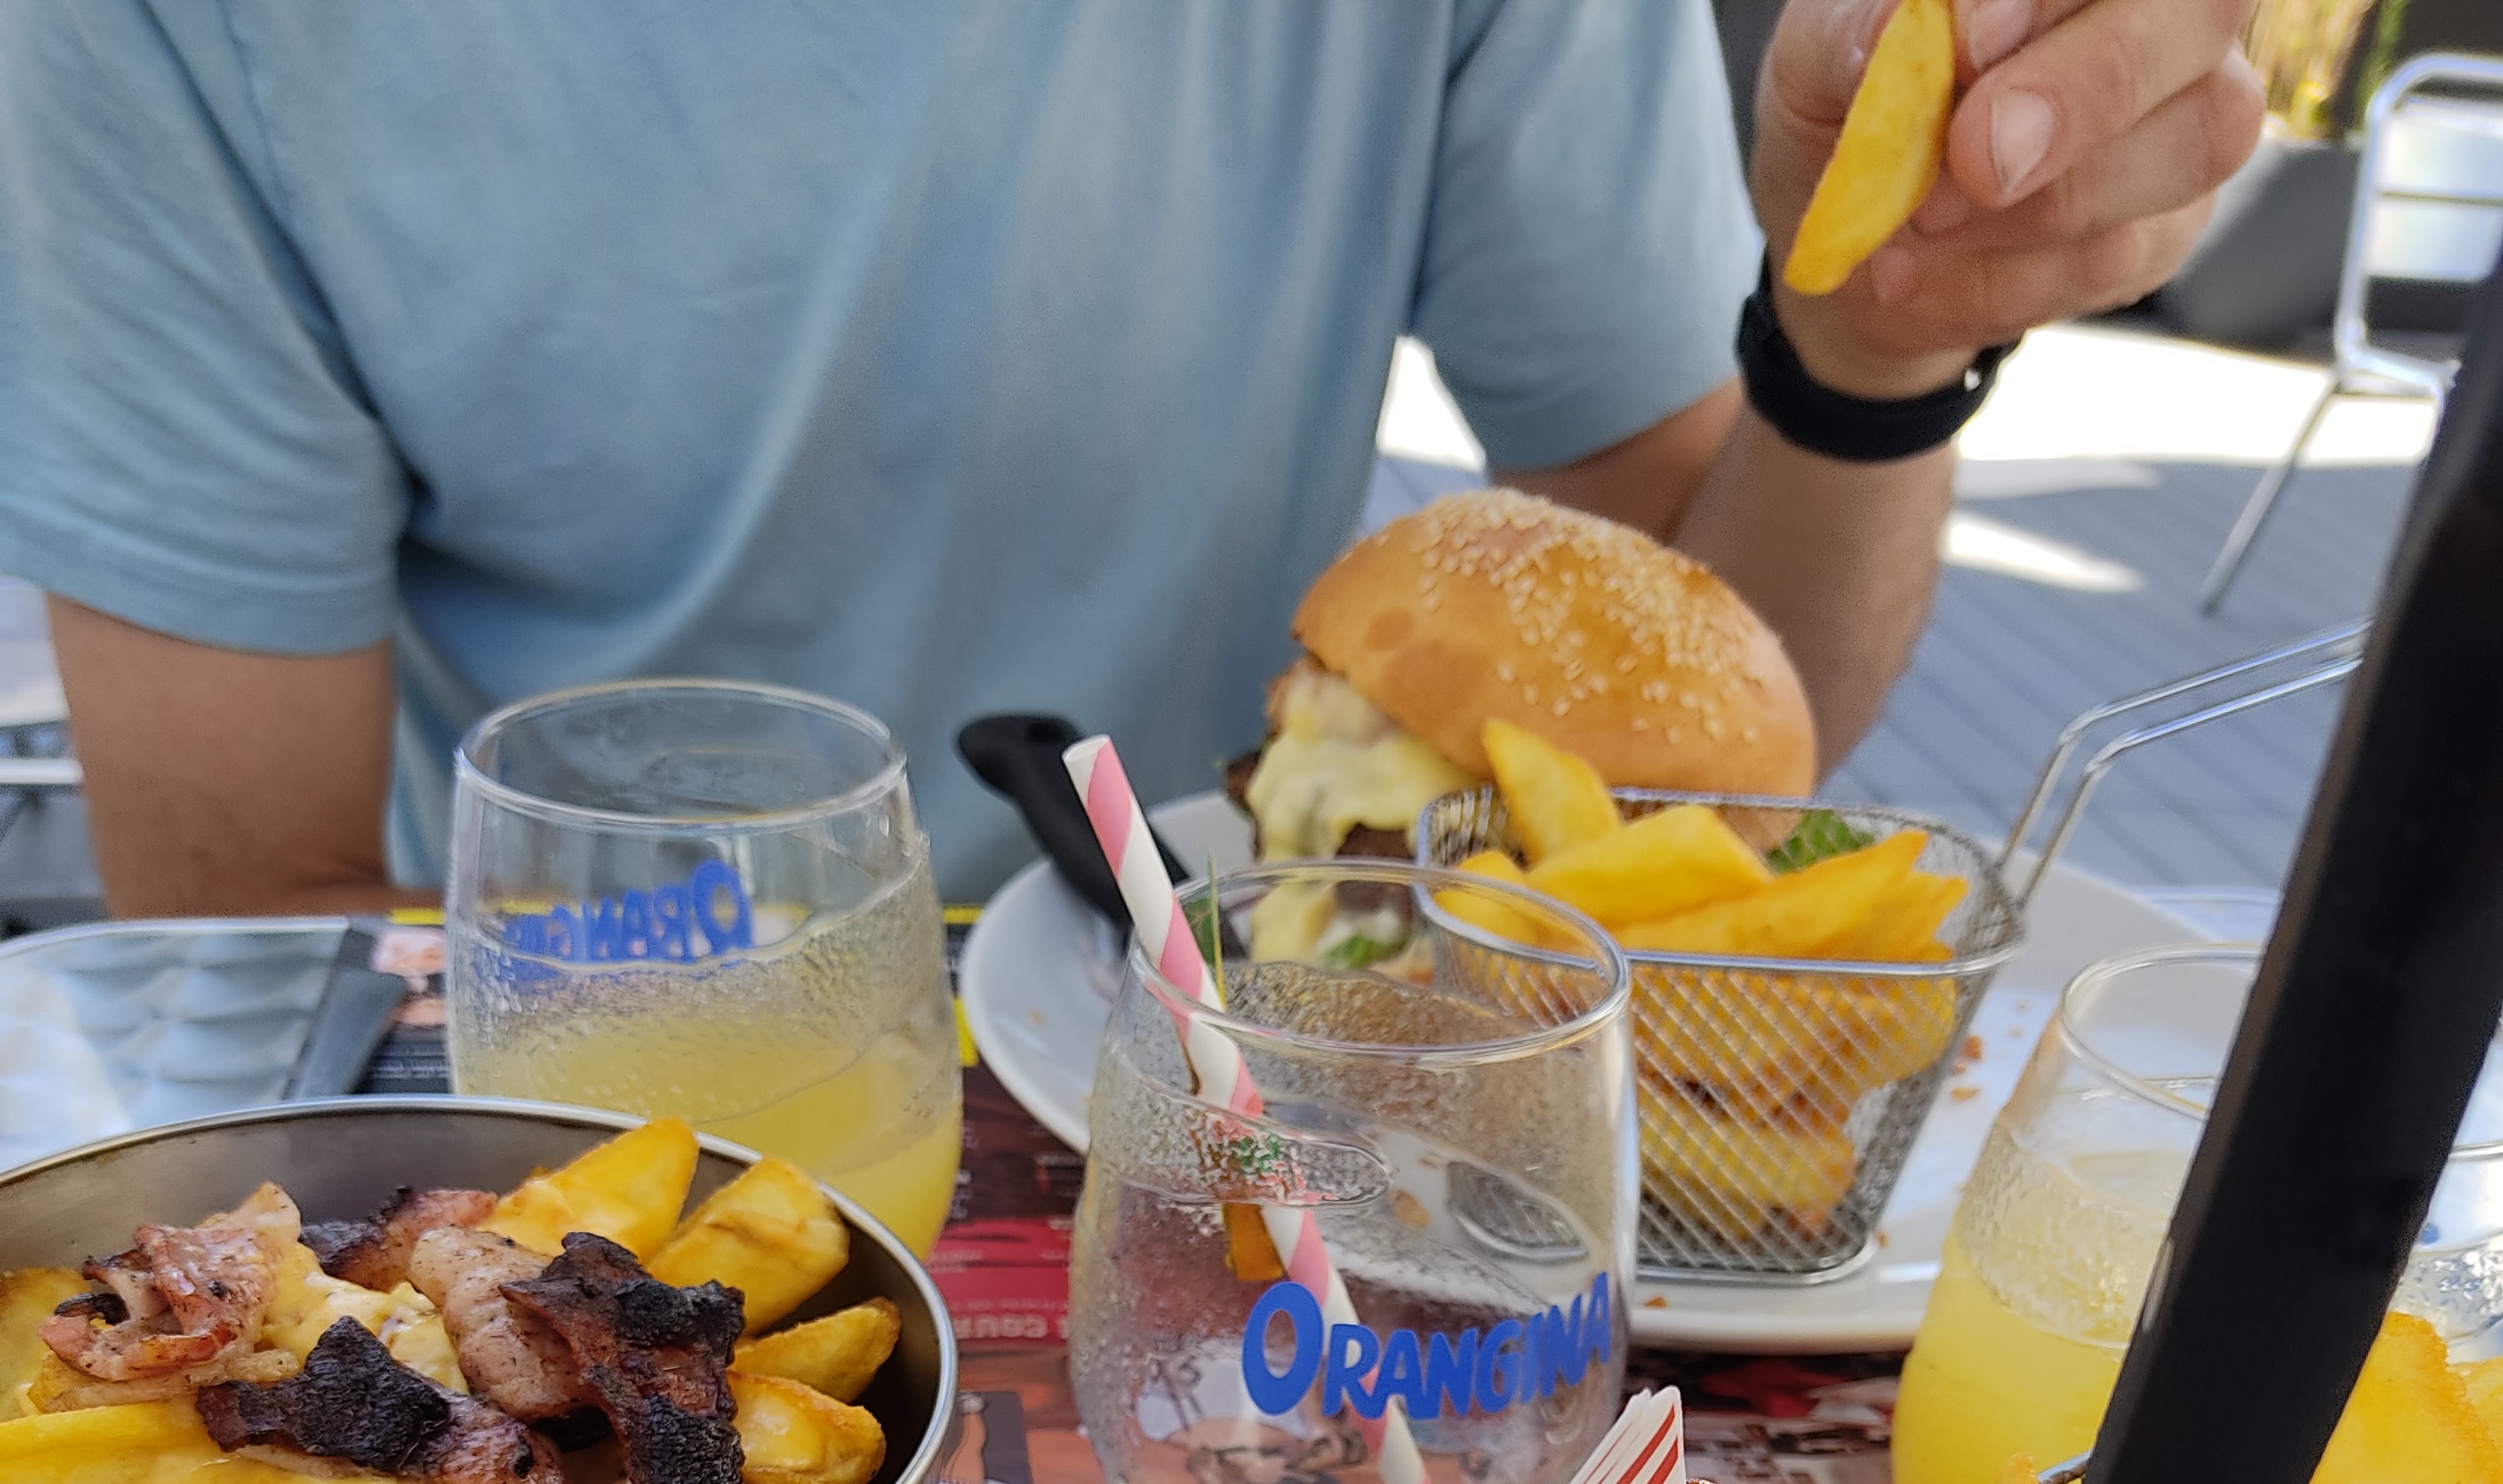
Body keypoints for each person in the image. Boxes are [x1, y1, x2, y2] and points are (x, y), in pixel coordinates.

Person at [0, 0, 2259, 913]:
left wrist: (1864, 352)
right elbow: (249, 915)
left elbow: (1709, 714)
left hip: (1270, 1068)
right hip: (571, 1081)